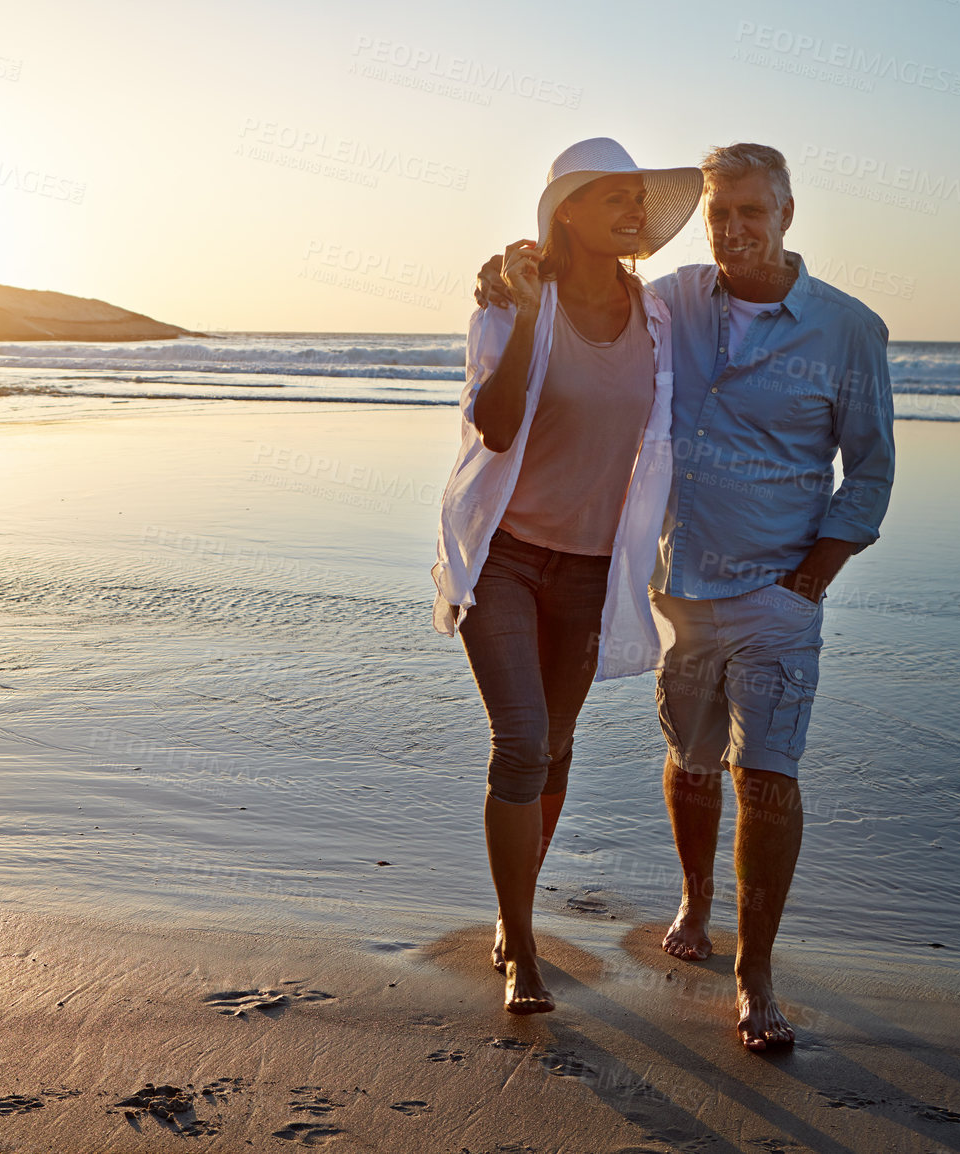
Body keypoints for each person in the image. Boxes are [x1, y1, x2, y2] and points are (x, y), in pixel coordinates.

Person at [475, 142, 896, 1049]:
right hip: (676, 586)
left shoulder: (848, 329)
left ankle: (756, 979)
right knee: (690, 762)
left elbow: (868, 474)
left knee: (769, 778)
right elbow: (575, 290)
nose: (736, 228)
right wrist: (511, 272)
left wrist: (811, 579)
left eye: (753, 210)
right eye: (721, 214)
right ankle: (693, 906)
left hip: (778, 593)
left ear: (787, 213)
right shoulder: (669, 302)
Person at [433, 137, 703, 1014]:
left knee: (554, 745)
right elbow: (496, 426)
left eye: (639, 197)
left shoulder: (657, 314)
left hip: (592, 569)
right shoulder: (511, 306)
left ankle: (514, 915)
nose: (634, 211)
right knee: (519, 743)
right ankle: (521, 949)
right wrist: (517, 309)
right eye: (615, 196)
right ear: (567, 213)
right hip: (505, 557)